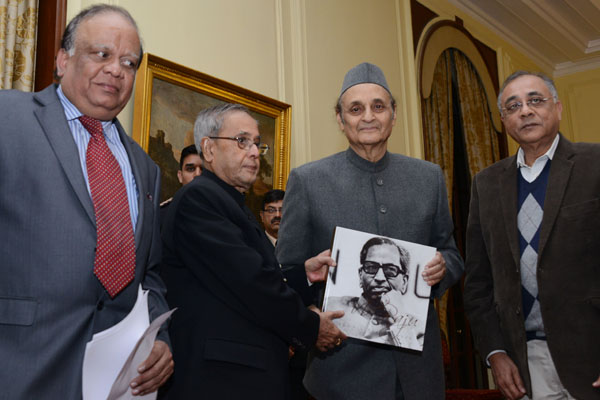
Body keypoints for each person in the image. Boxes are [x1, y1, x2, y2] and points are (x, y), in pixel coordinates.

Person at [0, 4, 172, 398]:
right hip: (16, 367)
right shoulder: (7, 117)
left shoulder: (147, 168)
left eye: (129, 63)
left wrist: (160, 338)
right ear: (63, 60)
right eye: (102, 54)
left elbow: (151, 274)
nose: (116, 69)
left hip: (111, 381)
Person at [276, 62, 463, 399]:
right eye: (355, 109)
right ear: (339, 118)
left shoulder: (428, 177)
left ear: (394, 114)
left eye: (379, 106)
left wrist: (443, 266)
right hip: (339, 369)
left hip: (418, 372)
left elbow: (450, 251)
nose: (368, 117)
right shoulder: (308, 180)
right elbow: (285, 273)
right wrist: (310, 317)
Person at [160, 103, 346, 399]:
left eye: (258, 144)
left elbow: (249, 276)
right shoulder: (201, 199)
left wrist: (304, 274)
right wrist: (312, 328)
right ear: (208, 149)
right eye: (241, 141)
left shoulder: (230, 201)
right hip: (221, 381)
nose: (253, 152)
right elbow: (251, 284)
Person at [464, 71, 600, 400]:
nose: (525, 110)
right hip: (526, 363)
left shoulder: (594, 163)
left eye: (535, 100)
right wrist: (495, 353)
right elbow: (478, 284)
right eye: (513, 106)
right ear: (504, 120)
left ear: (558, 108)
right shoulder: (486, 184)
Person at [326, 237, 425, 349]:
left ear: (404, 281)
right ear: (360, 275)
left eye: (390, 270)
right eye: (371, 267)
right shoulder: (330, 307)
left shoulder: (419, 329)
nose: (379, 277)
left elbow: (410, 364)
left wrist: (399, 318)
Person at [160, 144, 202, 216]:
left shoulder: (224, 212)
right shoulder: (161, 214)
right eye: (191, 169)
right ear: (180, 176)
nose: (197, 174)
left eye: (204, 169)